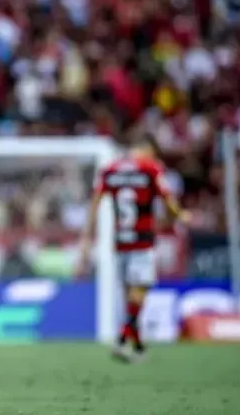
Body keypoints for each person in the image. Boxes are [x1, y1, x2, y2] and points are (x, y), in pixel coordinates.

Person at [77, 134, 190, 362]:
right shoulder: (150, 168)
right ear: (147, 149)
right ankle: (121, 338)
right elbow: (167, 198)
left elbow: (95, 203)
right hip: (143, 240)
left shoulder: (110, 170)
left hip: (120, 241)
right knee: (140, 292)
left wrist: (87, 236)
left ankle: (137, 346)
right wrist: (180, 215)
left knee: (130, 295)